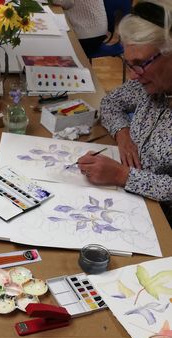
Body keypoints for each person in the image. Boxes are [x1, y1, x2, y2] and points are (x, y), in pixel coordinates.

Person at [78, 0, 172, 217]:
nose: (132, 75)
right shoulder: (151, 83)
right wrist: (123, 133)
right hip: (130, 199)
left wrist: (123, 176)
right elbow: (111, 102)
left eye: (140, 63)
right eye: (129, 64)